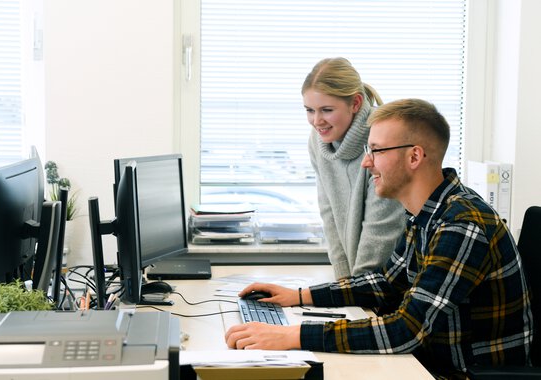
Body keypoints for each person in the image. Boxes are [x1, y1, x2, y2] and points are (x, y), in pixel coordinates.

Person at [225, 99, 533, 378]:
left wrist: (294, 335)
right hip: (423, 364)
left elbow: (407, 330)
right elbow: (386, 284)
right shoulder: (427, 213)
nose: (366, 162)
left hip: (457, 374)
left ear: (414, 156)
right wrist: (300, 295)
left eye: (376, 150)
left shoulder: (462, 224)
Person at [302, 57, 404, 279]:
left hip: (387, 281)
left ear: (356, 103)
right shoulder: (317, 140)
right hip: (358, 286)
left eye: (327, 110)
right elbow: (328, 211)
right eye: (310, 110)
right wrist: (343, 282)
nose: (316, 121)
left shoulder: (383, 137)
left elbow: (382, 229)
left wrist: (356, 292)